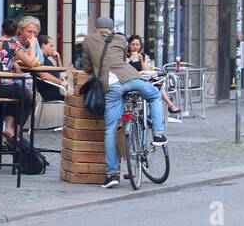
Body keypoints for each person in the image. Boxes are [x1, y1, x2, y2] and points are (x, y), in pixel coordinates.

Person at [81, 16, 166, 189]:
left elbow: (87, 66)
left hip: (111, 85)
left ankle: (112, 174)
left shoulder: (88, 40)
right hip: (130, 78)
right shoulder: (120, 38)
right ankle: (158, 133)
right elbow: (122, 57)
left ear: (96, 28)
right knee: (155, 96)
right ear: (111, 29)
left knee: (110, 128)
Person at [0, 18, 35, 144]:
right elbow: (31, 63)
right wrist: (32, 45)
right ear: (16, 32)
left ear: (1, 29)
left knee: (16, 93)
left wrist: (13, 63)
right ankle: (15, 130)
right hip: (3, 87)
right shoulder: (14, 44)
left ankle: (8, 128)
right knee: (29, 98)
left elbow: (0, 59)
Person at [126, 35, 181, 116]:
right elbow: (124, 68)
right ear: (129, 45)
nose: (135, 47)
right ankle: (170, 105)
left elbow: (147, 71)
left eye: (137, 45)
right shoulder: (125, 56)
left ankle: (170, 104)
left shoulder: (143, 56)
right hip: (130, 80)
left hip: (143, 79)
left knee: (157, 86)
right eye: (133, 44)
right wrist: (130, 58)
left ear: (140, 46)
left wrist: (142, 60)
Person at [34, 35, 67, 103]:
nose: (53, 49)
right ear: (43, 45)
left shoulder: (46, 59)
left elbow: (61, 74)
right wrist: (62, 83)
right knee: (79, 96)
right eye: (51, 46)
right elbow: (44, 76)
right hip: (52, 91)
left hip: (58, 88)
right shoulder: (39, 59)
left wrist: (58, 60)